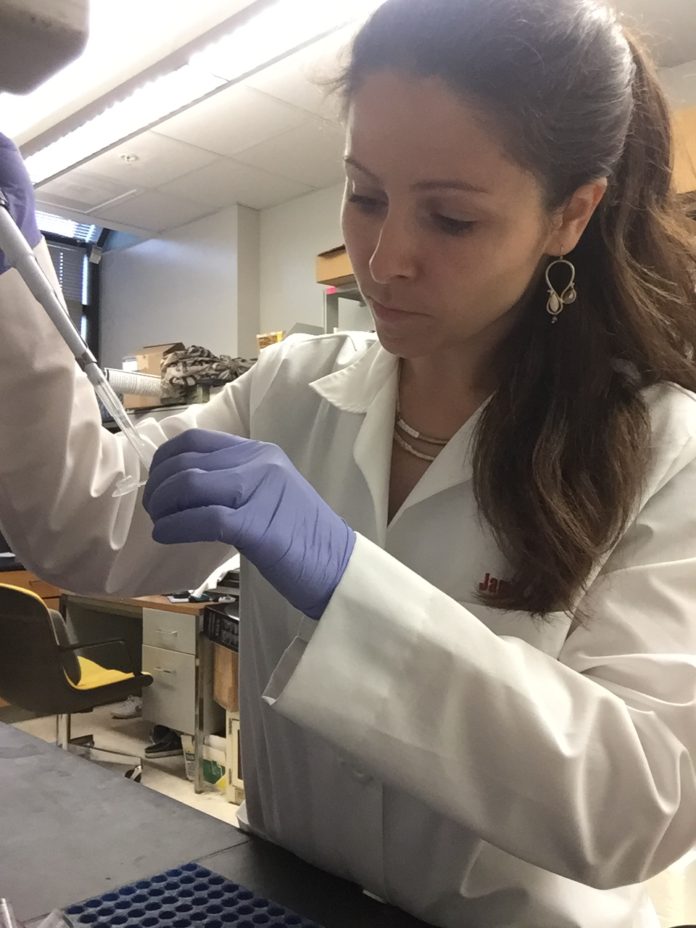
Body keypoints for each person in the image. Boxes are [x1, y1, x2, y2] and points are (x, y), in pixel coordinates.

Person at [0, 0, 695, 924]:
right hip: (283, 900)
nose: (383, 257)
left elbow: (637, 803)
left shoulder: (664, 445)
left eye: (449, 219)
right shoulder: (289, 388)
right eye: (365, 195)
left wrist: (347, 586)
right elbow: (90, 532)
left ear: (569, 216)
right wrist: (15, 287)